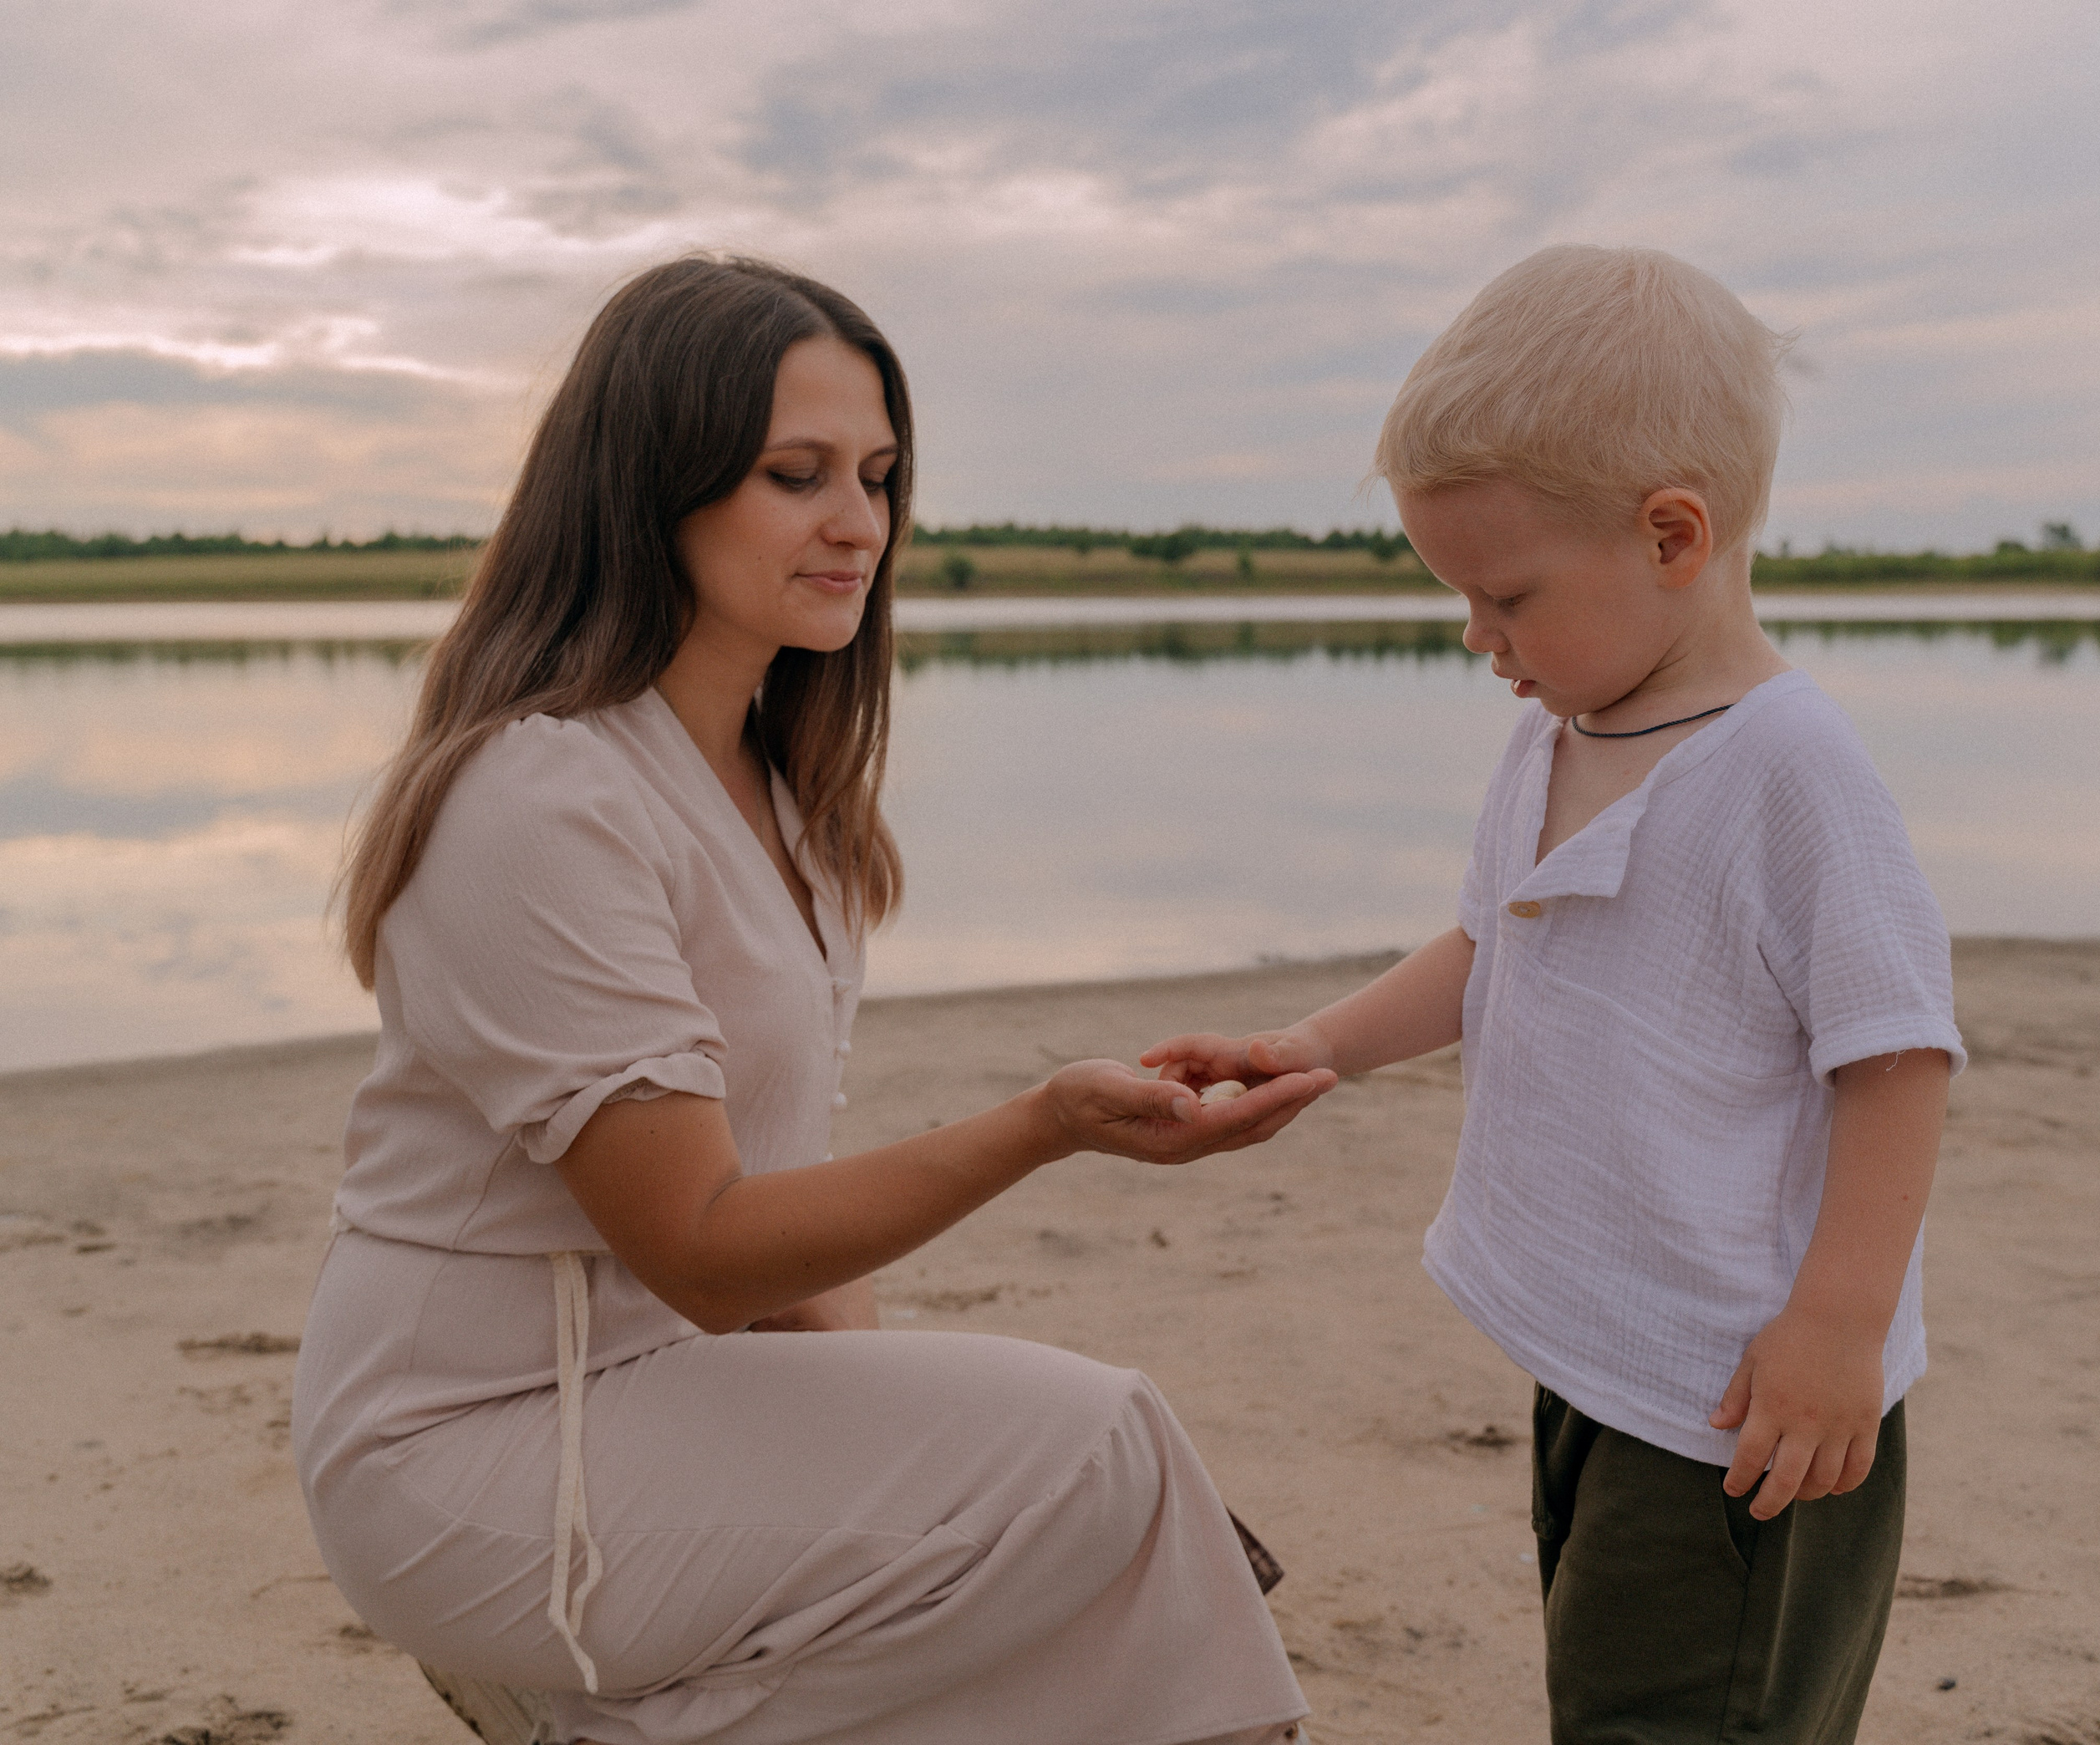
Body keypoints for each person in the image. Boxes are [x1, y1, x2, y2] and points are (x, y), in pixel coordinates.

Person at [292, 255, 1331, 1745]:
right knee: (1099, 1444)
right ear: (653, 486)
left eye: (881, 475)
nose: (862, 524)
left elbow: (772, 1222)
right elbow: (711, 1251)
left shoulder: (790, 800)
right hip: (470, 1447)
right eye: (799, 475)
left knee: (1098, 1488)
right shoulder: (543, 797)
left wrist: (912, 1421)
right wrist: (1042, 1125)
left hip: (663, 1394)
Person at [1142, 246, 1965, 1744]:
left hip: (1747, 1398)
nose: (1479, 638)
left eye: (1506, 593)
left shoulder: (1793, 771)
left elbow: (1897, 1059)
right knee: (1606, 1685)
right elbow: (1489, 945)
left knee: (1685, 1711)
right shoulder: (1565, 730)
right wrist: (1314, 1045)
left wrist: (1838, 1329)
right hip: (1604, 1355)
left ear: (1672, 534)